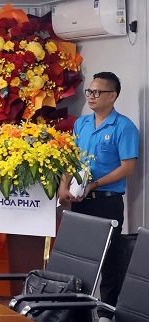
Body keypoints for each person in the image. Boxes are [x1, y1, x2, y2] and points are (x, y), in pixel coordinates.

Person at [59, 71, 140, 308]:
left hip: (106, 201)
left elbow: (128, 168)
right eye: (89, 91)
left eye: (97, 92)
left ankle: (107, 313)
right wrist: (64, 186)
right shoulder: (82, 123)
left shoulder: (123, 127)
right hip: (79, 200)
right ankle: (74, 308)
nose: (91, 96)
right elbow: (70, 158)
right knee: (78, 256)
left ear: (112, 96)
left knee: (109, 259)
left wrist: (93, 184)